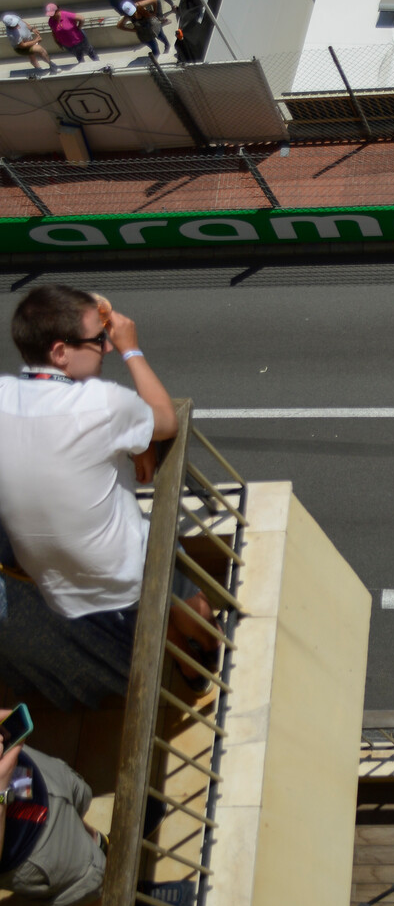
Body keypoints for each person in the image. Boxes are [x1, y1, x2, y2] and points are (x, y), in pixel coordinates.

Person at [0, 285, 220, 699]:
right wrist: (130, 348)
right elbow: (165, 421)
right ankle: (206, 658)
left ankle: (190, 669)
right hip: (122, 567)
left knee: (150, 612)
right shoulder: (102, 402)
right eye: (98, 339)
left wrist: (134, 444)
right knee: (192, 609)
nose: (105, 345)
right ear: (61, 352)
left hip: (53, 580)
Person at [0, 711, 107, 906]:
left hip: (27, 773)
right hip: (28, 846)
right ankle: (133, 894)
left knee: (75, 796)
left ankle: (101, 844)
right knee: (92, 878)